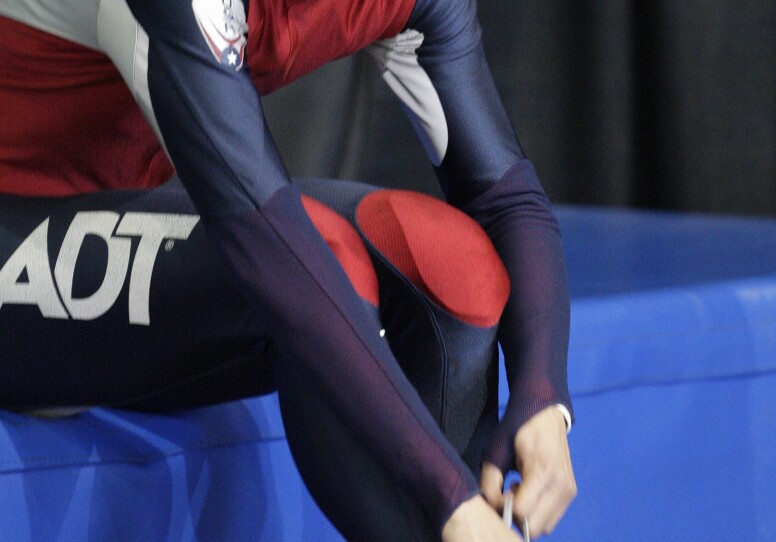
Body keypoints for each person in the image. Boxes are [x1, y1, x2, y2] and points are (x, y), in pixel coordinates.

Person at [0, 0, 575, 539]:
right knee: (317, 259)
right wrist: (449, 498)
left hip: (89, 227)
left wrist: (544, 394)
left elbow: (504, 197)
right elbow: (266, 246)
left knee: (447, 265)